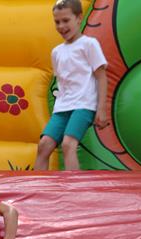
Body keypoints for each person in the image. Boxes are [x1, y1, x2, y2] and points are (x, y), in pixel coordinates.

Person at [34, 0, 109, 171]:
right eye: (57, 22)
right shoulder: (57, 52)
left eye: (66, 20)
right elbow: (63, 82)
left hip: (84, 104)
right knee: (44, 145)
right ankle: (38, 185)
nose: (61, 26)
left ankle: (72, 187)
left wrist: (101, 109)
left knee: (68, 144)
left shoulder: (89, 44)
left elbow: (101, 77)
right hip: (63, 106)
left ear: (79, 18)